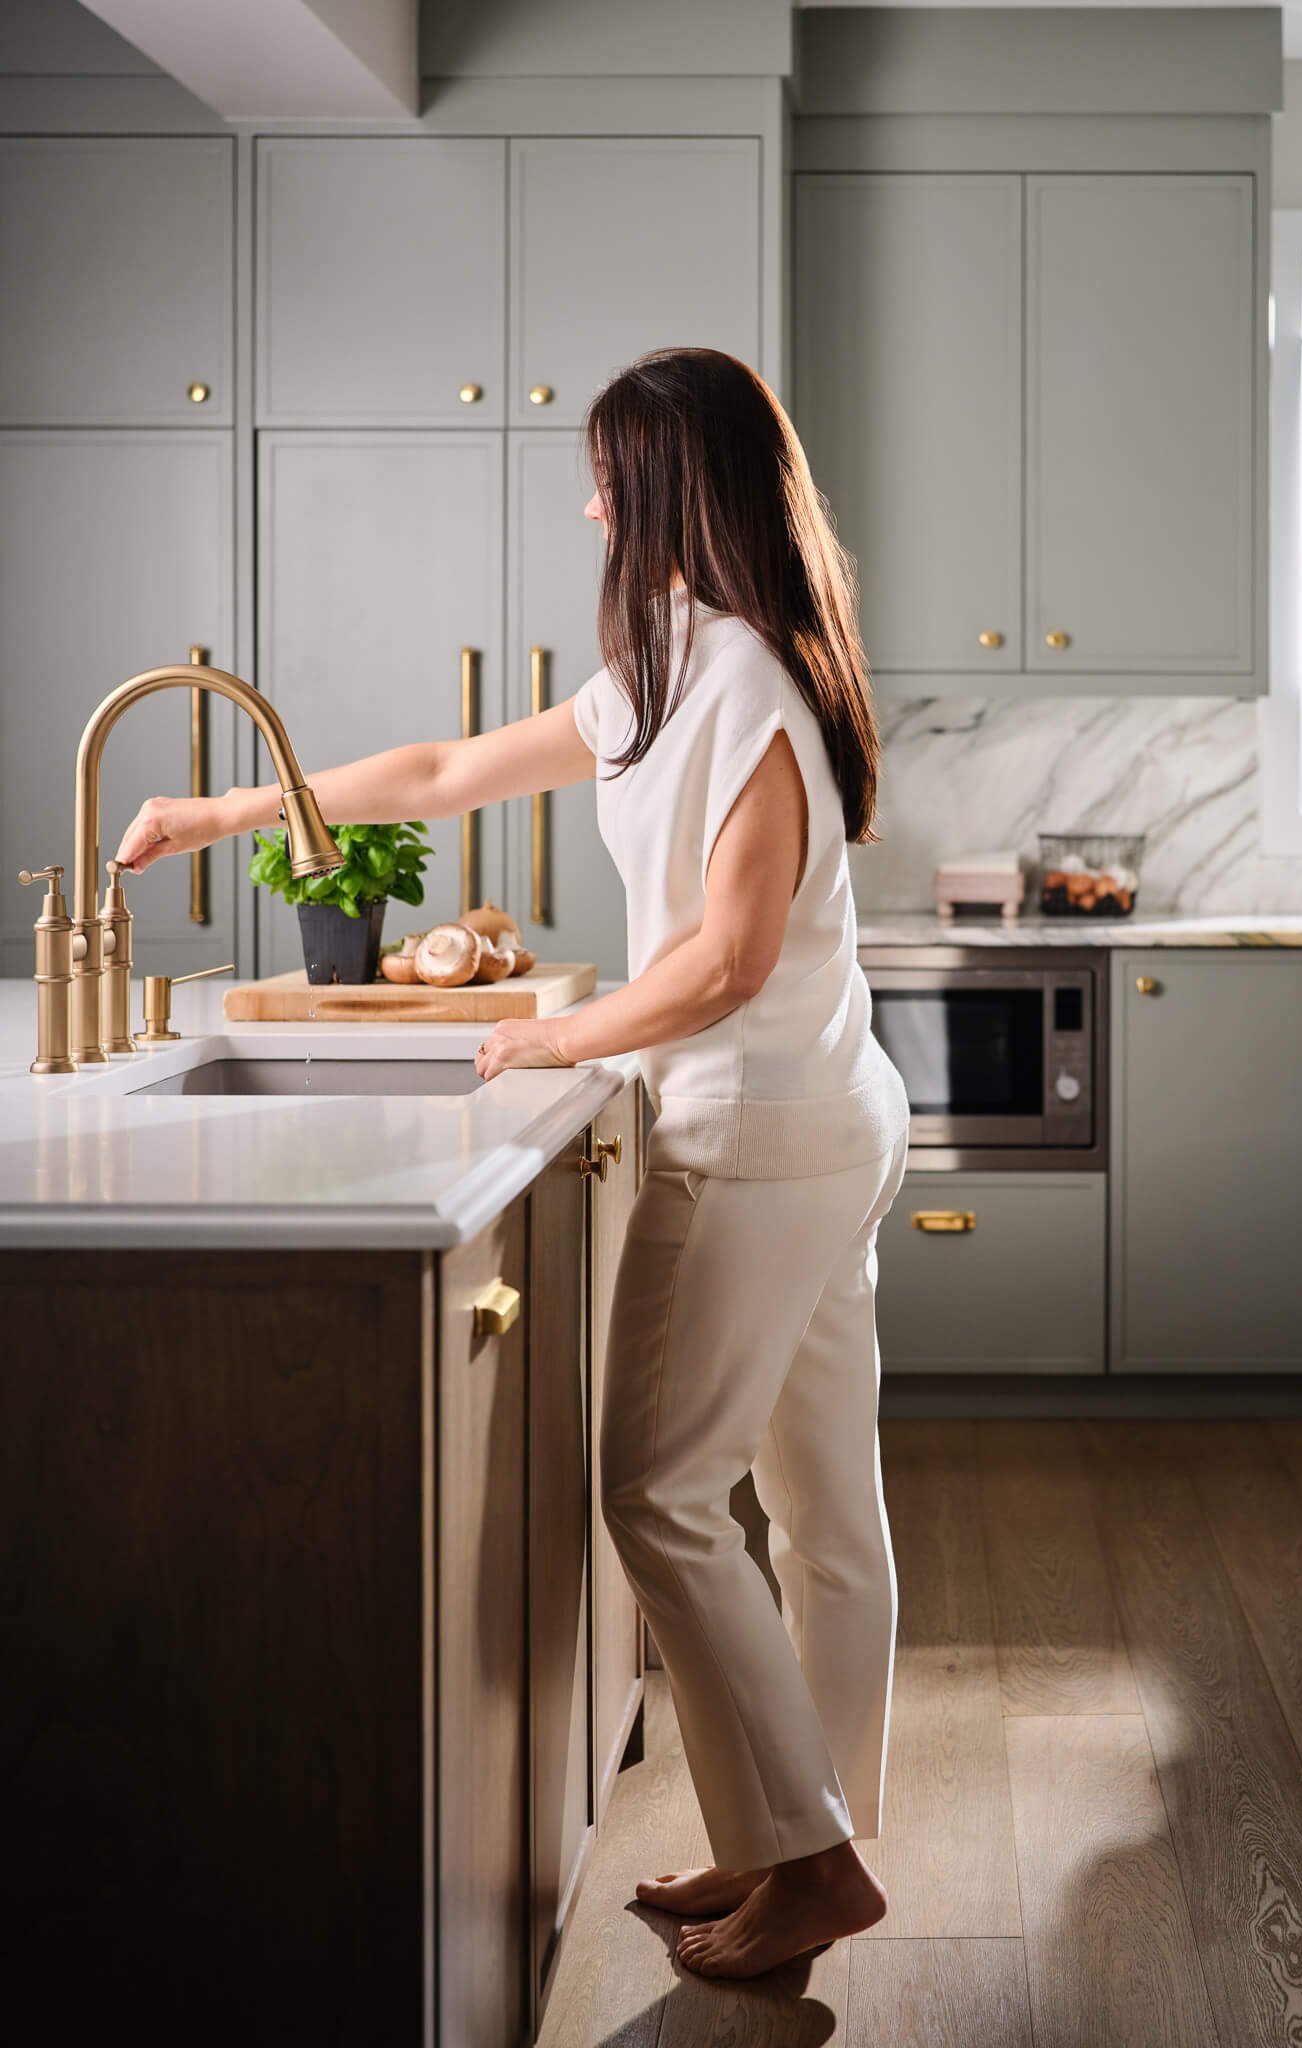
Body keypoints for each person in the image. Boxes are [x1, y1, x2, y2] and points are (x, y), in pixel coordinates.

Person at [115, 345, 911, 1981]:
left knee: (658, 1493)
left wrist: (565, 1033)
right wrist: (218, 810)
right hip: (819, 1116)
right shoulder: (674, 665)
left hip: (754, 1130)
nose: (591, 499)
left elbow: (729, 955)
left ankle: (805, 1854)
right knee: (822, 1503)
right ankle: (805, 1832)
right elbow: (435, 774)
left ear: (672, 487)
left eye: (611, 473)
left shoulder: (744, 678)